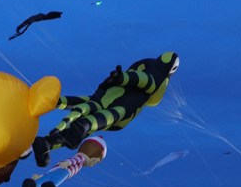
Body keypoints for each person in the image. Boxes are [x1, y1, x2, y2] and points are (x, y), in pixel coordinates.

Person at [33, 52, 180, 167]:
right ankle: (67, 129)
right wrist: (124, 78)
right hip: (114, 106)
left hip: (107, 101)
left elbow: (145, 81)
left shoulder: (151, 71)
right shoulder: (157, 77)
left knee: (87, 114)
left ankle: (47, 142)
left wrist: (123, 78)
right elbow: (147, 82)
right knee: (95, 119)